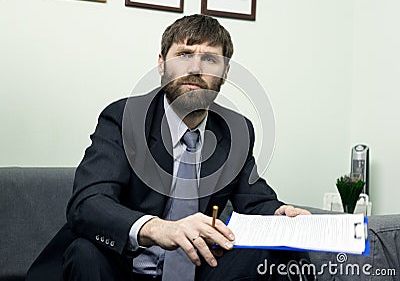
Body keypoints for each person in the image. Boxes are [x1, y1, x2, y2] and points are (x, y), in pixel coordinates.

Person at [27, 14, 312, 281]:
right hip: (121, 266)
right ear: (162, 64)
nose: (195, 68)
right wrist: (160, 229)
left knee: (282, 254)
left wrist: (279, 214)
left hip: (197, 269)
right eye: (184, 55)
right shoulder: (125, 118)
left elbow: (254, 199)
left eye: (210, 59)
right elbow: (88, 203)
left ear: (225, 73)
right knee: (85, 253)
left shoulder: (236, 130)